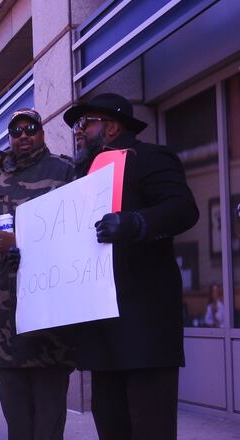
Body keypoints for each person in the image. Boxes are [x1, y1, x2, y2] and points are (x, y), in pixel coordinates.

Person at [63, 93, 199, 440]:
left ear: (110, 126)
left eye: (84, 123)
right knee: (111, 427)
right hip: (101, 331)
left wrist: (136, 223)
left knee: (149, 427)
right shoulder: (80, 179)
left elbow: (183, 209)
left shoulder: (151, 158)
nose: (78, 132)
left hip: (144, 328)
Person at [0, 108, 75, 440]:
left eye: (31, 128)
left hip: (52, 328)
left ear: (41, 132)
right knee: (19, 429)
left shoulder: (65, 172)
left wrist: (29, 245)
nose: (23, 135)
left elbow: (77, 238)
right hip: (6, 330)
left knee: (48, 428)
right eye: (16, 130)